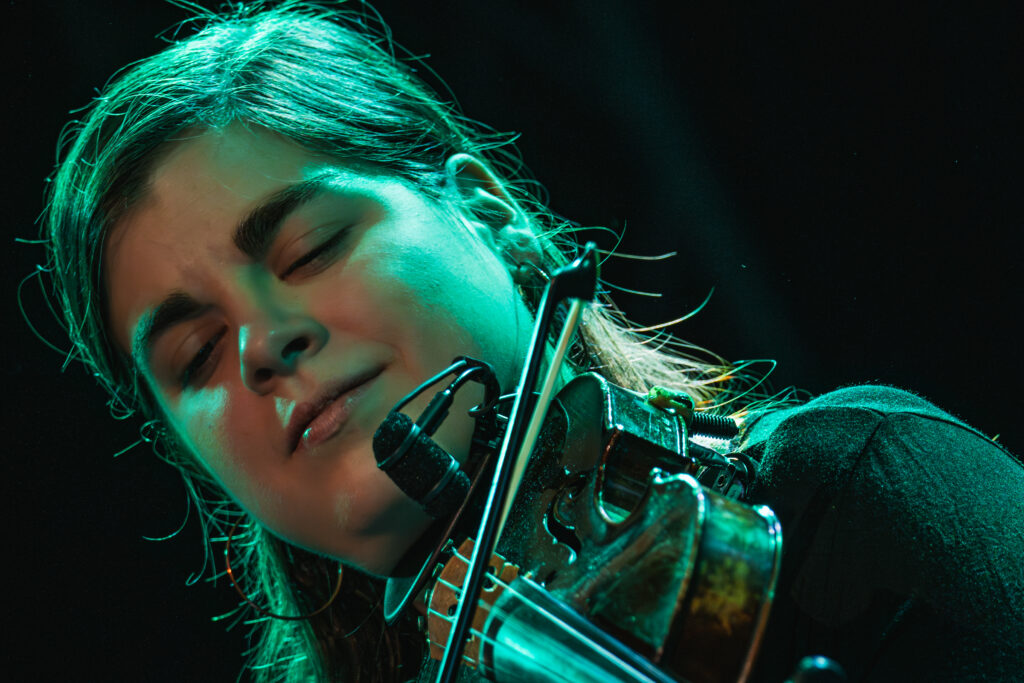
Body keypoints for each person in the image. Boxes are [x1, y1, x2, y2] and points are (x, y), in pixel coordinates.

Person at [40, 3, 1023, 682]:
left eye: (310, 248)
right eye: (196, 357)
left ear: (490, 214)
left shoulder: (838, 493)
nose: (263, 343)